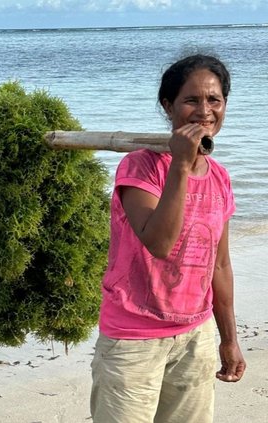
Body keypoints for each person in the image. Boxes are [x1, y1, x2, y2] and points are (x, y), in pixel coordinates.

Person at [90, 54, 246, 423]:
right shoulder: (140, 166)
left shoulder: (219, 177)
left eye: (215, 100)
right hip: (133, 337)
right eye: (191, 100)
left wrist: (228, 338)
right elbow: (159, 244)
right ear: (168, 106)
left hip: (196, 334)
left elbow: (219, 264)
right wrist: (179, 164)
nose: (204, 111)